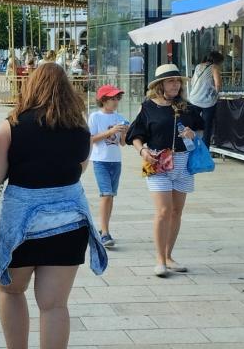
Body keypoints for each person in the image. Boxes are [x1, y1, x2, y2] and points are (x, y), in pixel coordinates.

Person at [0, 63, 107, 349]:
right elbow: (80, 169)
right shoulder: (80, 128)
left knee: (11, 291)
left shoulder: (11, 126)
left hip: (22, 228)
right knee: (54, 306)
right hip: (70, 225)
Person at [126, 64, 203, 277]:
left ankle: (169, 256)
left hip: (183, 163)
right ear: (159, 85)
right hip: (158, 162)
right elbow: (135, 135)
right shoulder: (148, 107)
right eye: (171, 81)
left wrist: (193, 135)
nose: (176, 85)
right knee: (163, 211)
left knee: (177, 212)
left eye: (177, 81)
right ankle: (159, 259)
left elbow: (201, 128)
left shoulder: (186, 107)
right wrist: (142, 151)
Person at [88, 85, 129, 248]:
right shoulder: (95, 117)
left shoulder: (120, 117)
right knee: (106, 194)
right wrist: (110, 131)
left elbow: (122, 143)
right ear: (103, 100)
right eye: (112, 98)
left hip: (116, 161)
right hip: (100, 161)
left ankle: (104, 228)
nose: (115, 101)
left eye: (117, 98)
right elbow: (91, 138)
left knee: (110, 196)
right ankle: (105, 233)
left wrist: (124, 132)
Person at [188, 51, 223, 146]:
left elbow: (192, 82)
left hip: (194, 99)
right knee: (207, 127)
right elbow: (218, 85)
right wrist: (217, 92)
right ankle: (205, 151)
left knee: (191, 125)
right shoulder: (214, 67)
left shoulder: (198, 66)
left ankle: (190, 147)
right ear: (218, 61)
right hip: (207, 102)